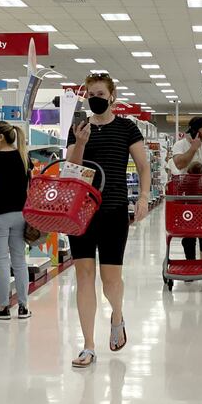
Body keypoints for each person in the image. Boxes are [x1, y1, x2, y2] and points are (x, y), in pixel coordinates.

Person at [66, 73, 150, 368]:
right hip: (80, 212)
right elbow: (70, 169)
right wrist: (79, 143)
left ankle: (117, 314)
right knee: (83, 276)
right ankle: (88, 345)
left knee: (110, 280)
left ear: (112, 96)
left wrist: (143, 198)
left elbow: (143, 166)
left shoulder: (127, 127)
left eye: (100, 93)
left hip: (113, 210)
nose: (95, 98)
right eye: (90, 93)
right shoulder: (79, 128)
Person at [0, 121, 31, 319]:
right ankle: (23, 307)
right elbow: (29, 190)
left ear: (0, 137)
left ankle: (3, 308)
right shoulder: (24, 158)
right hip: (20, 214)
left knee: (1, 261)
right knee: (19, 260)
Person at [171, 117, 202, 260]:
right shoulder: (180, 145)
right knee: (188, 234)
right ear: (196, 130)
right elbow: (180, 165)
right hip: (185, 197)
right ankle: (190, 262)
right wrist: (193, 148)